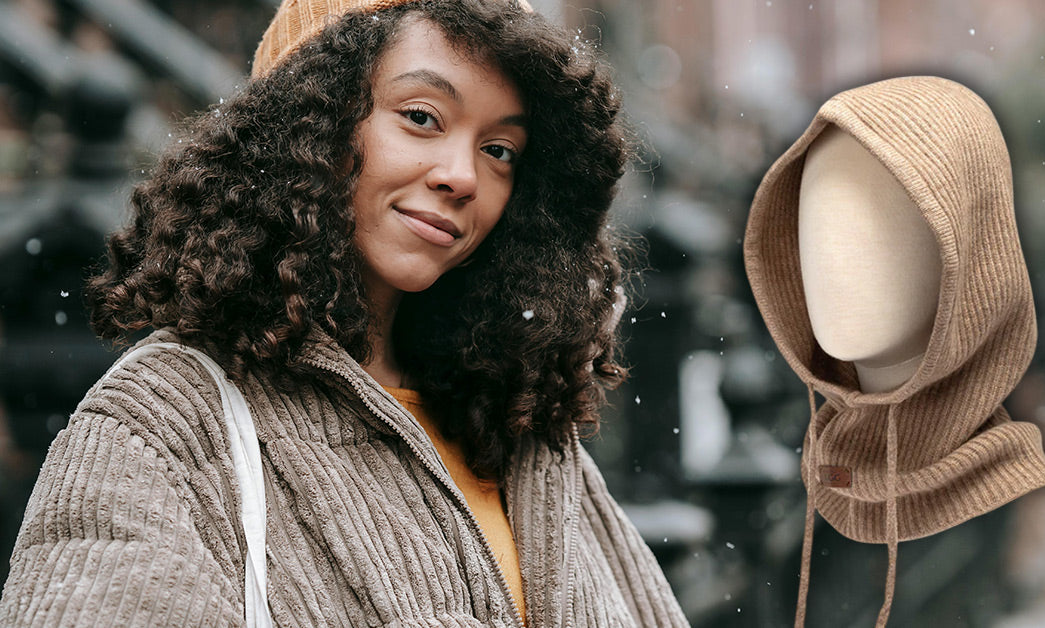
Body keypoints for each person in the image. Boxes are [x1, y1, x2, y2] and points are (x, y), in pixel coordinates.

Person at [0, 1, 690, 626]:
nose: (463, 176)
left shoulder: (520, 431)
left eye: (499, 150)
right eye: (422, 117)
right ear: (311, 121)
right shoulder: (161, 428)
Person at [744, 76, 1045, 626]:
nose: (832, 262)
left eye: (876, 220)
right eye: (816, 222)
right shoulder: (823, 471)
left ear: (967, 242)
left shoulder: (1011, 501)